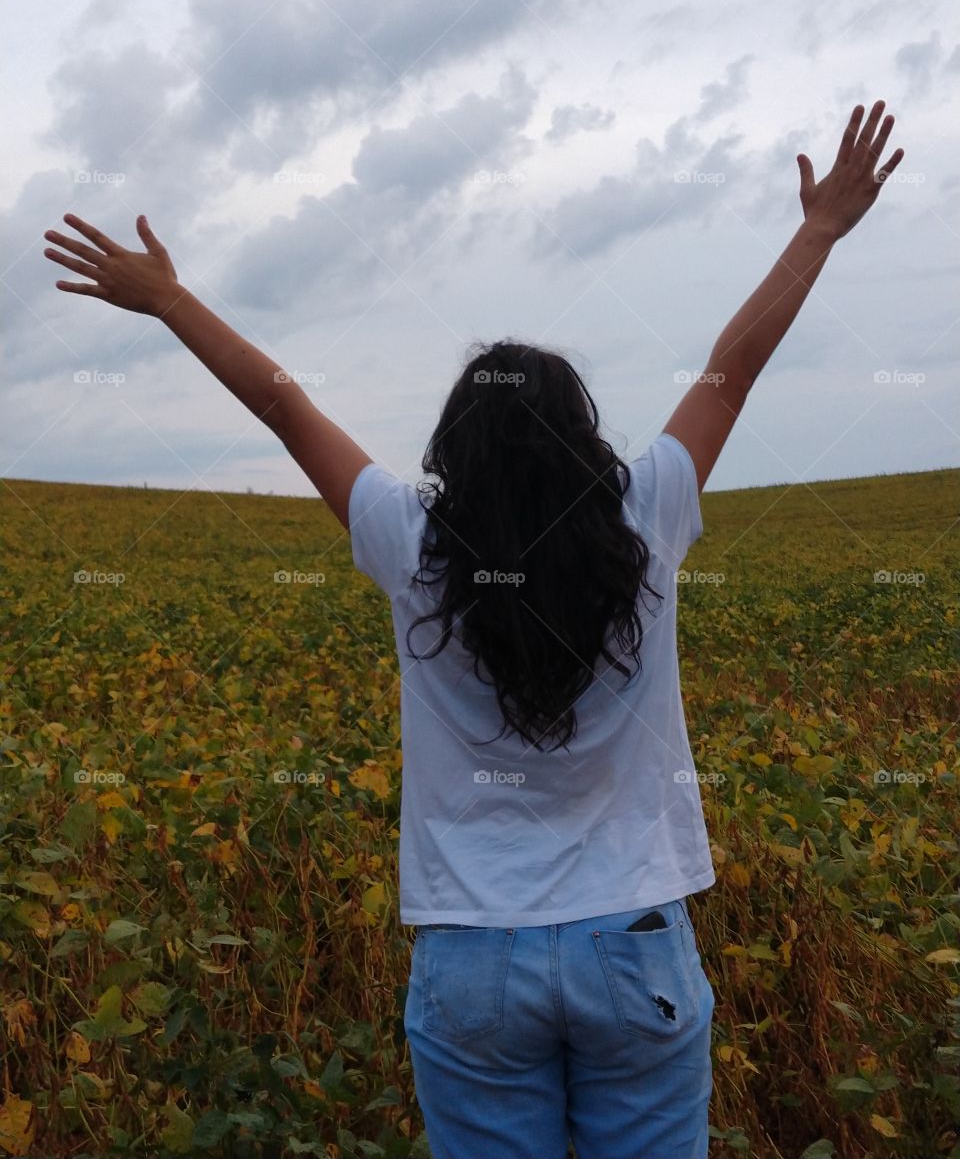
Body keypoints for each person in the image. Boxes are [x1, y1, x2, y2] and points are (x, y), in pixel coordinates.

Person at [43, 100, 903, 1159]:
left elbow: (282, 404)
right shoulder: (650, 511)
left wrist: (172, 300)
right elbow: (734, 367)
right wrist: (816, 231)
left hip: (473, 963)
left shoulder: (411, 541)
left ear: (454, 449)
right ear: (584, 437)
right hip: (636, 949)